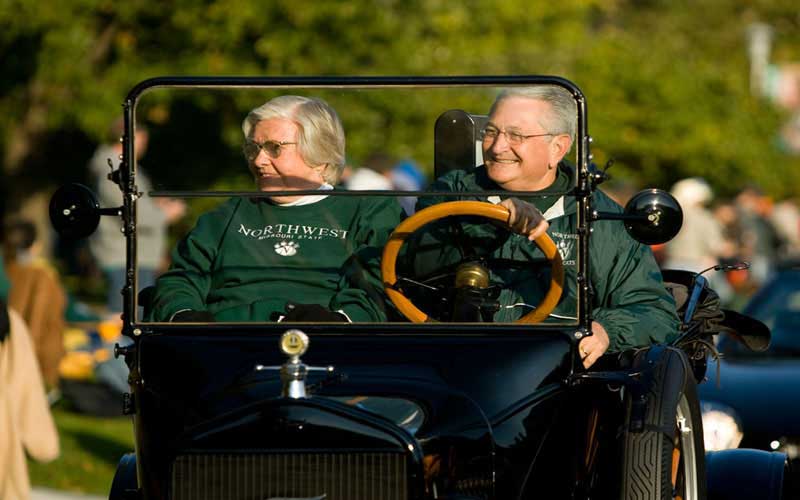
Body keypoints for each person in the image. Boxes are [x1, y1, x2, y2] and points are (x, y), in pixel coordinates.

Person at [414, 86, 680, 368]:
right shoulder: (450, 193)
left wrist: (605, 330)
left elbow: (655, 312)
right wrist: (492, 220)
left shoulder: (599, 220)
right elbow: (409, 264)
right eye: (491, 132)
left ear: (558, 148)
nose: (497, 147)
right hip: (451, 362)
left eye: (516, 135)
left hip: (552, 377)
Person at [149, 96, 403, 323]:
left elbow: (377, 288)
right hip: (224, 346)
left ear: (320, 152)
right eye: (253, 149)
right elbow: (181, 280)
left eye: (274, 148)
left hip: (325, 348)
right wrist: (184, 316)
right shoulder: (225, 216)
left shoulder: (369, 210)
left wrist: (336, 322)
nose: (259, 161)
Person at [88, 118, 185, 316]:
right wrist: (165, 214)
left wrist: (156, 205)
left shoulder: (124, 166)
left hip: (133, 255)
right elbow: (130, 211)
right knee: (125, 317)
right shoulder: (113, 168)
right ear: (128, 139)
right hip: (123, 256)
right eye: (141, 140)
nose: (144, 145)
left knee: (133, 314)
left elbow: (134, 202)